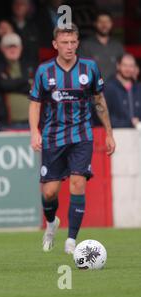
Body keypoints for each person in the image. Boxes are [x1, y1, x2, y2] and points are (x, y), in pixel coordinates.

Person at [29, 24, 116, 255]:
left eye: (72, 42)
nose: (69, 46)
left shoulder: (90, 68)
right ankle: (51, 223)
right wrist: (34, 132)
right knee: (49, 193)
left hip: (82, 135)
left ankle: (71, 241)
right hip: (52, 136)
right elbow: (35, 103)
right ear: (55, 45)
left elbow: (99, 100)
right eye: (64, 42)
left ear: (77, 43)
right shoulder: (44, 71)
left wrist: (108, 132)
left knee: (78, 183)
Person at [78, 10, 124, 80]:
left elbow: (124, 68)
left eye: (107, 22)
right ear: (95, 23)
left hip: (114, 89)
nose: (104, 24)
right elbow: (80, 69)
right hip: (93, 88)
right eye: (101, 22)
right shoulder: (85, 45)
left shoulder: (118, 46)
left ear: (111, 24)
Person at [104, 53, 141, 128]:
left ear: (135, 68)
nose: (128, 69)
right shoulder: (108, 88)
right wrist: (129, 123)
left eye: (131, 66)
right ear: (118, 66)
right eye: (125, 65)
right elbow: (103, 116)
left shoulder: (138, 88)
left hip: (137, 135)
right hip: (116, 134)